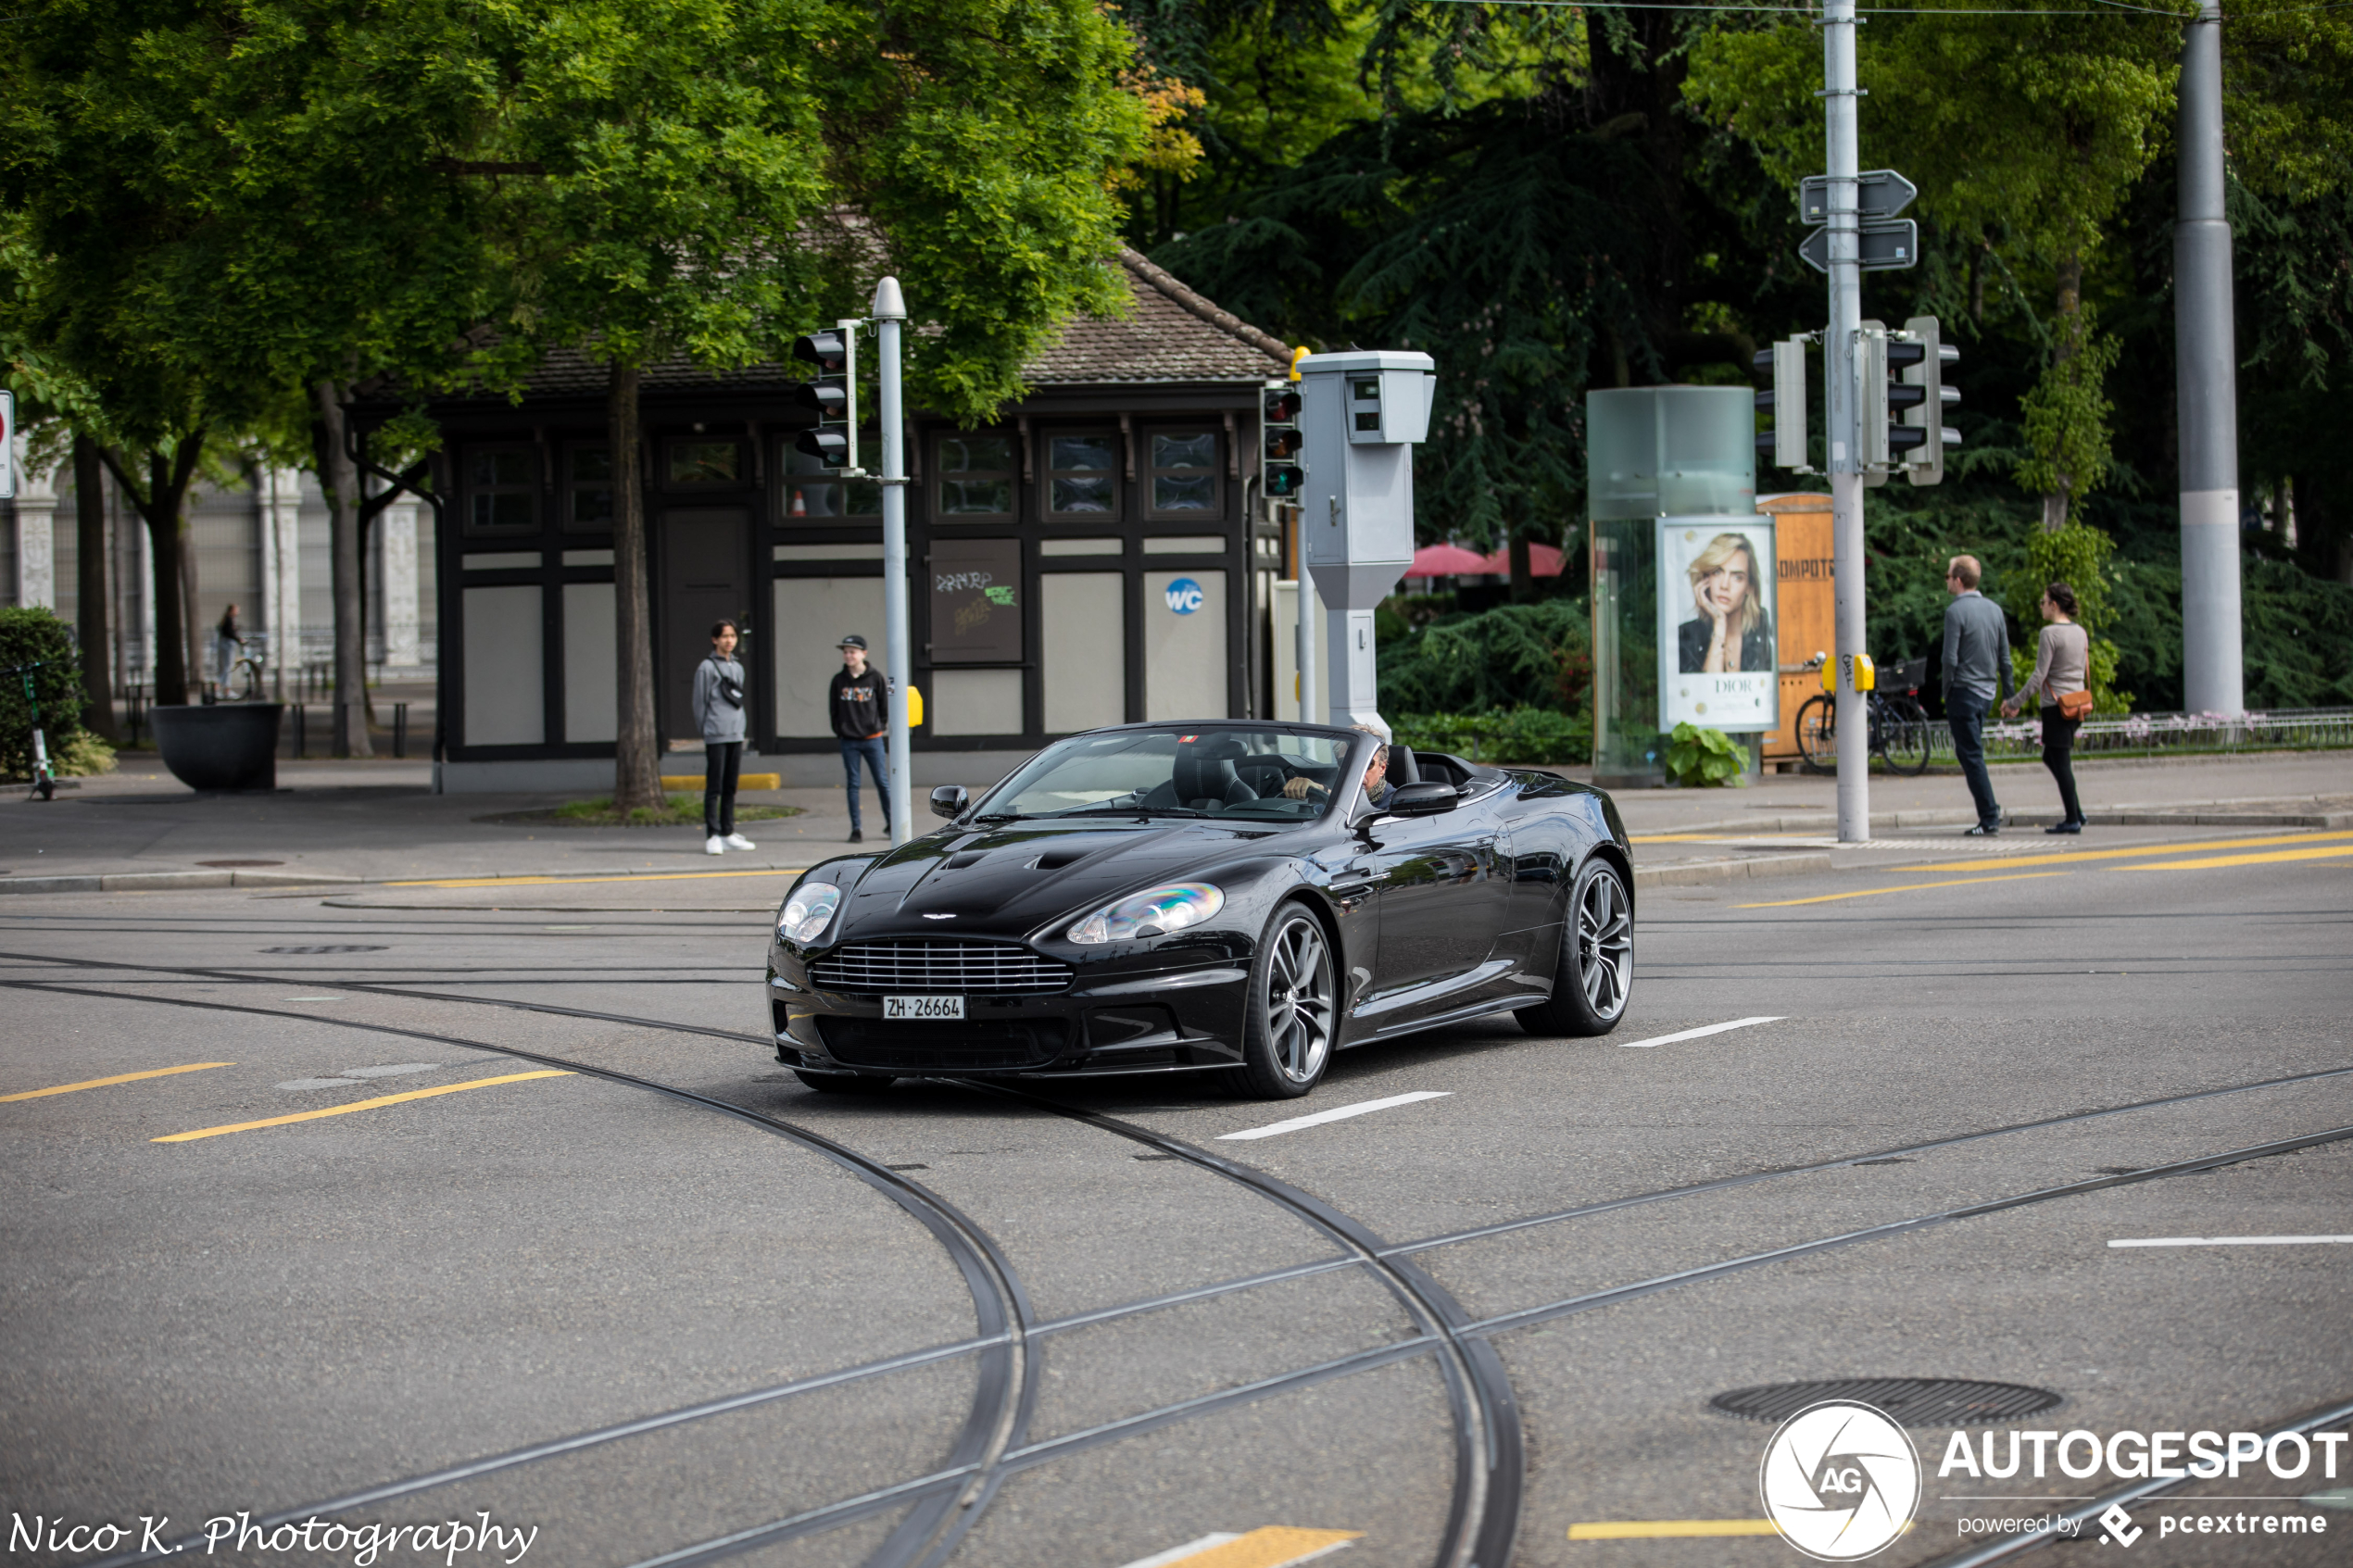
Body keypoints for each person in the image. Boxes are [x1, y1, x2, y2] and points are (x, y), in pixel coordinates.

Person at [2003, 580, 2091, 834]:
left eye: (2043, 602)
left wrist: (2014, 703)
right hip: (2078, 705)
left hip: (2056, 706)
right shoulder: (2080, 632)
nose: (2041, 606)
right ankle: (2077, 811)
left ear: (2053, 605)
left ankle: (2073, 819)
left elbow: (2038, 676)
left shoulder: (2050, 634)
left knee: (2061, 761)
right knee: (2050, 756)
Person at [1942, 555, 2012, 836]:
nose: (1946, 581)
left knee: (1971, 755)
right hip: (1987, 693)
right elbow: (2004, 658)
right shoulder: (1995, 610)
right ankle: (1989, 812)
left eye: (1947, 576)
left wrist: (1947, 691)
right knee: (1971, 753)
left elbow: (1949, 659)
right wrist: (2009, 695)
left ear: (1958, 580)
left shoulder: (1955, 613)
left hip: (1964, 691)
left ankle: (1989, 817)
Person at [692, 620, 755, 856]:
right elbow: (700, 703)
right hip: (715, 734)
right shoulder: (706, 668)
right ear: (715, 639)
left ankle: (728, 832)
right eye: (725, 636)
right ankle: (713, 834)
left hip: (736, 733)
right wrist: (706, 730)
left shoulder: (738, 667)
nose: (729, 641)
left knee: (731, 785)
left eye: (733, 636)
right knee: (714, 786)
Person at [1678, 533, 1773, 675]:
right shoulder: (1687, 635)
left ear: (1749, 587)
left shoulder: (1762, 630)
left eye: (1737, 577)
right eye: (1717, 572)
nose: (1724, 585)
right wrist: (1720, 624)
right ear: (1706, 579)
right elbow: (1707, 693)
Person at [829, 634, 889, 844]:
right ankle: (856, 828)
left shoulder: (875, 678)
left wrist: (880, 725)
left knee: (882, 781)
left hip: (873, 739)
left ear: (863, 653)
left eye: (852, 652)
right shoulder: (839, 681)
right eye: (845, 652)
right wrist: (841, 730)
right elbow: (833, 710)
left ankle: (891, 822)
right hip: (849, 741)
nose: (848, 656)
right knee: (853, 784)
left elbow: (884, 705)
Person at [1281, 729, 1392, 809]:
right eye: (1345, 763)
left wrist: (1327, 792)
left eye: (1367, 764)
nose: (1357, 772)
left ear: (1382, 768)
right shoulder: (1325, 809)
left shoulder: (1397, 807)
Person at [214, 604, 243, 689]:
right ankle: (221, 684)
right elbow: (229, 633)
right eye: (237, 610)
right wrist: (238, 639)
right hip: (228, 644)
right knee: (229, 666)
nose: (238, 612)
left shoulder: (226, 619)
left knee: (225, 666)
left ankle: (225, 687)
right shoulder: (229, 620)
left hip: (224, 643)